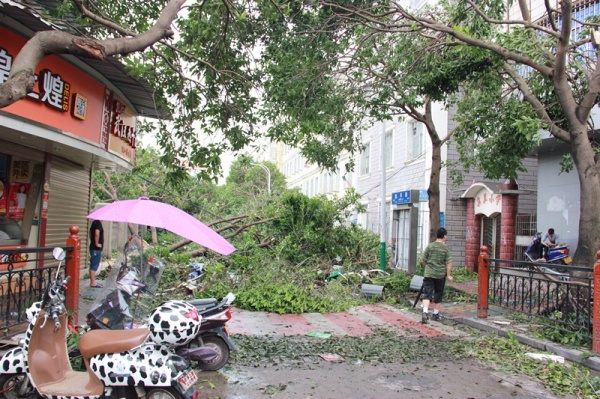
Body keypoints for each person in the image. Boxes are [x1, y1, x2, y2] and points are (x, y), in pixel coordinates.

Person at [420, 227, 453, 324]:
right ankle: (435, 314)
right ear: (444, 236)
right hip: (440, 275)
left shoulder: (430, 246)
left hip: (429, 274)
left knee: (427, 293)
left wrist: (429, 267)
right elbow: (449, 262)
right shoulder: (446, 248)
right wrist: (449, 274)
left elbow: (423, 260)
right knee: (438, 293)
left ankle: (425, 312)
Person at [89, 219, 104, 288]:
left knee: (93, 264)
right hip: (96, 249)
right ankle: (93, 283)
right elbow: (96, 233)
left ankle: (93, 281)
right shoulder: (98, 223)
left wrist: (92, 241)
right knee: (94, 265)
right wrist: (96, 243)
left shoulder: (94, 223)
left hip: (93, 247)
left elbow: (90, 233)